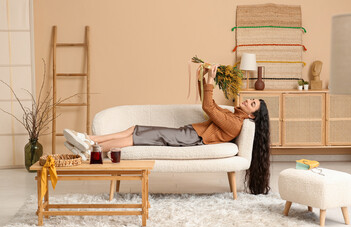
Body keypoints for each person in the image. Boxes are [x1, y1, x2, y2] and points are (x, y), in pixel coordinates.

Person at [63, 66, 271, 195]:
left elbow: (208, 107)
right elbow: (211, 104)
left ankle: (90, 151)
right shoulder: (232, 115)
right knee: (135, 128)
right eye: (251, 100)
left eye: (252, 104)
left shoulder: (235, 124)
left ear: (252, 115)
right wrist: (206, 78)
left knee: (136, 138)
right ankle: (89, 139)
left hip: (190, 138)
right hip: (188, 133)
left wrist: (210, 82)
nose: (248, 101)